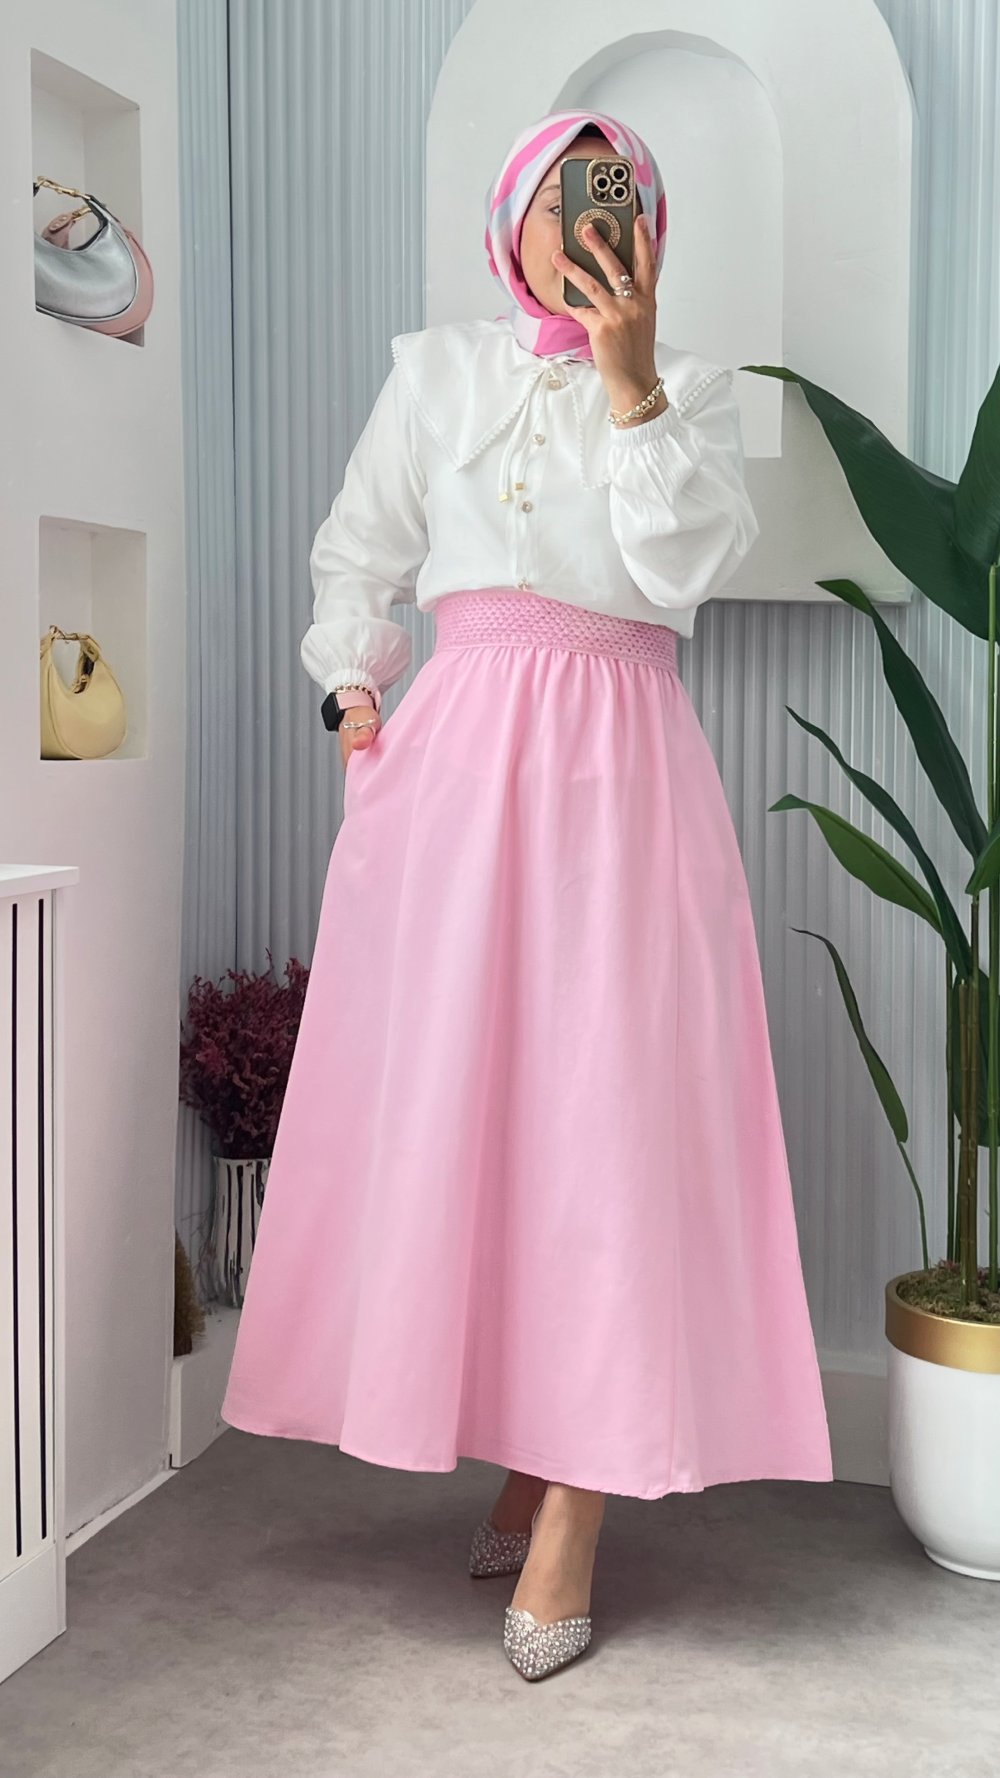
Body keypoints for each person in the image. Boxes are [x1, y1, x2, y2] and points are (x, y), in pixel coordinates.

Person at [221, 108, 834, 1682]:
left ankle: (576, 1499)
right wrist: (355, 689)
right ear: (510, 223)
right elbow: (357, 550)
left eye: (612, 199)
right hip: (452, 778)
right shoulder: (435, 372)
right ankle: (525, 1448)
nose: (584, 227)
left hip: (621, 776)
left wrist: (633, 382)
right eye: (559, 200)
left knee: (604, 1128)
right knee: (478, 1122)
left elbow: (679, 566)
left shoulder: (692, 391)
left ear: (651, 225)